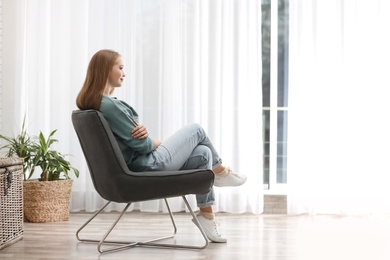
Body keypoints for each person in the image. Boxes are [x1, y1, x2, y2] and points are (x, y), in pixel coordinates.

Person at [76, 49, 246, 243]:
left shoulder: (99, 104)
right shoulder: (109, 106)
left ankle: (207, 217)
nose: (124, 73)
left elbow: (134, 141)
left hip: (140, 164)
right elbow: (142, 145)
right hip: (147, 165)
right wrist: (156, 142)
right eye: (121, 68)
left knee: (203, 153)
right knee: (197, 130)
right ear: (106, 69)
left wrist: (146, 139)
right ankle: (221, 172)